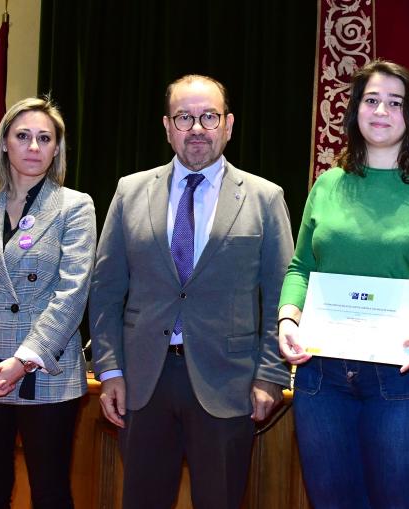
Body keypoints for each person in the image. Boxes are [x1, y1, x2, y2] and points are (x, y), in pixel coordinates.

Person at [277, 59, 409, 508]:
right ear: (355, 110)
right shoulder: (328, 184)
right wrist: (288, 318)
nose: (382, 111)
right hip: (322, 377)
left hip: (407, 376)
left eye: (396, 102)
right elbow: (300, 267)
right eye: (372, 100)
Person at [89, 74, 293, 508]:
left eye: (208, 116)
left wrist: (271, 374)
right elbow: (105, 289)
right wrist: (108, 371)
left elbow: (282, 295)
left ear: (229, 125)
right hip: (143, 382)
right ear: (167, 127)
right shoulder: (130, 191)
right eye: (185, 117)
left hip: (229, 383)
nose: (197, 128)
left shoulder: (265, 198)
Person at [0, 97, 96, 508]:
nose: (33, 146)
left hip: (46, 370)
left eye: (44, 138)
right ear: (5, 143)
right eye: (23, 136)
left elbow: (72, 293)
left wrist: (24, 359)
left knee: (50, 493)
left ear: (56, 149)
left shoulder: (75, 206)